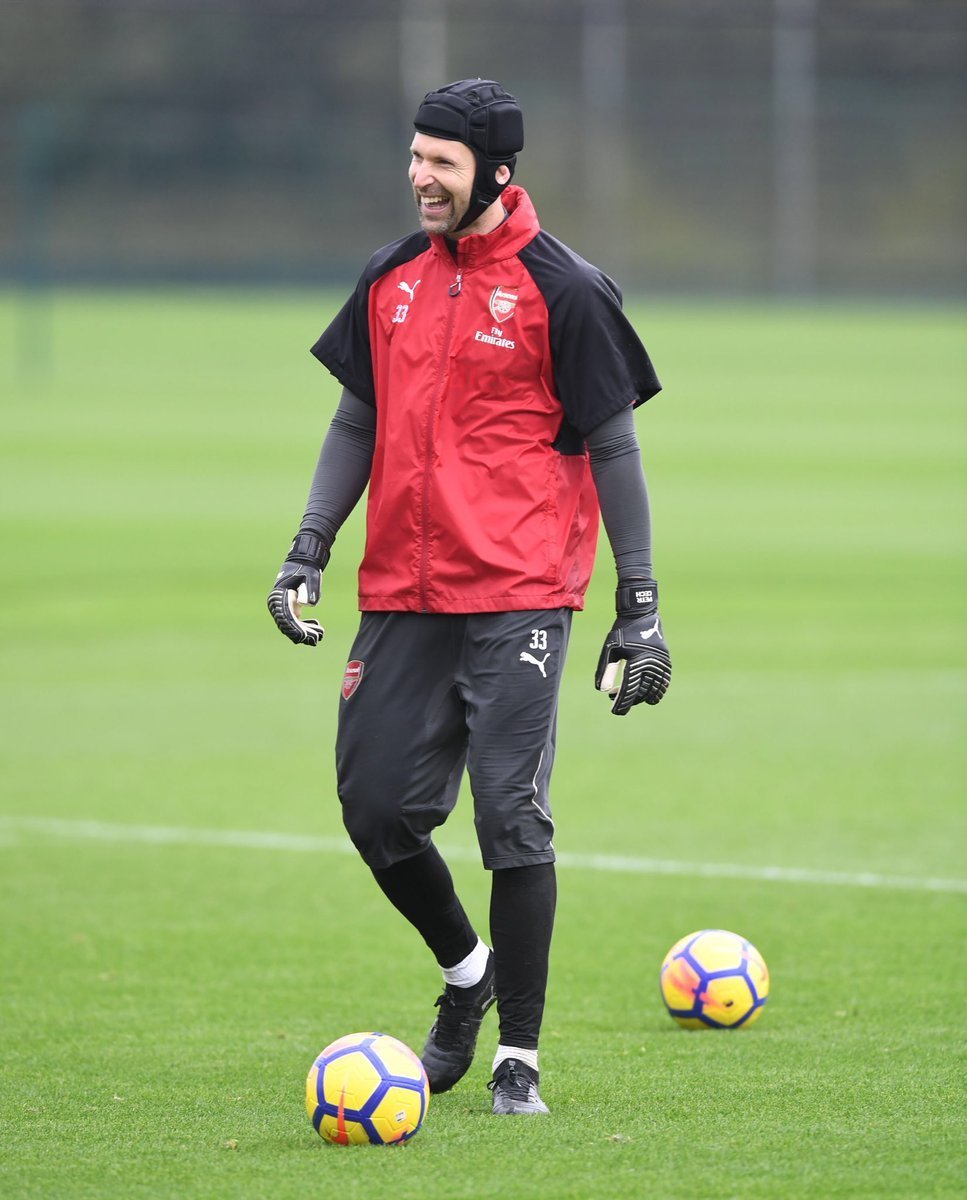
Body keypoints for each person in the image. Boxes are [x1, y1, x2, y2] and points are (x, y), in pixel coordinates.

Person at [267, 79, 671, 1116]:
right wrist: (308, 547)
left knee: (510, 818)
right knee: (375, 811)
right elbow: (356, 422)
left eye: (440, 162)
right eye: (413, 157)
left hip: (521, 593)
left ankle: (517, 1058)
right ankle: (466, 976)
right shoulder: (390, 278)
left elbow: (616, 444)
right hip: (401, 591)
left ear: (496, 171)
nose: (419, 178)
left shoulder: (565, 289)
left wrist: (640, 604)